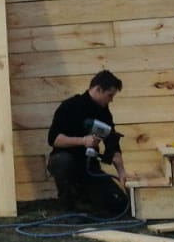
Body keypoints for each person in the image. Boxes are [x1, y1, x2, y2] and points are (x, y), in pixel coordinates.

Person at [47, 70, 132, 215]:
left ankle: (85, 198)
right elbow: (53, 139)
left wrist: (122, 173)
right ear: (98, 89)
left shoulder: (104, 113)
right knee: (63, 161)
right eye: (109, 95)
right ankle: (68, 208)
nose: (111, 100)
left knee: (118, 204)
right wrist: (83, 141)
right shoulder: (69, 106)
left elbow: (113, 144)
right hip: (66, 161)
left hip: (90, 168)